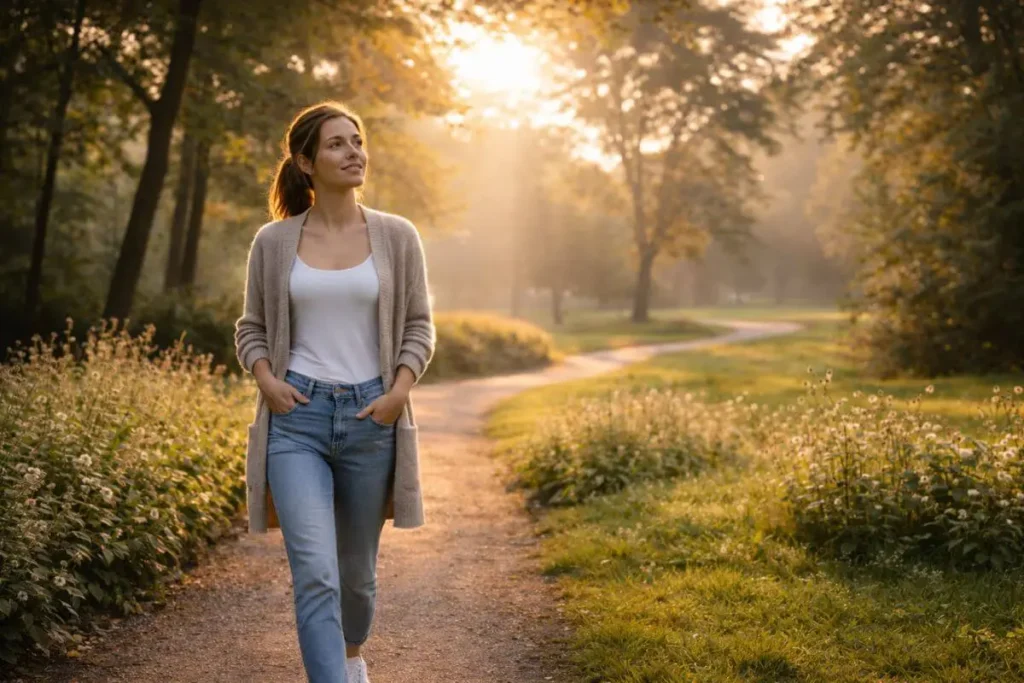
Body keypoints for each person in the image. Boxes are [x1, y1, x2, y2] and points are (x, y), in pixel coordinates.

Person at [234, 100, 435, 683]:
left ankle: (351, 658)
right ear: (306, 162)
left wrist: (399, 390)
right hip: (296, 418)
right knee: (314, 570)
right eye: (337, 144)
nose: (354, 153)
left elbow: (419, 324)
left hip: (373, 416)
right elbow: (252, 328)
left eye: (358, 140)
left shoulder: (397, 236)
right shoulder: (272, 242)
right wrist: (268, 379)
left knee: (356, 576)